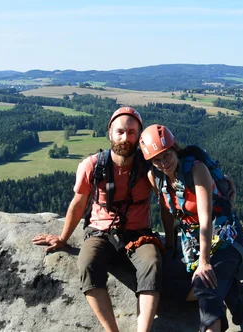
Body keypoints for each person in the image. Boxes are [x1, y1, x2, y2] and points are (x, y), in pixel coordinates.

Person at [32, 107, 163, 332]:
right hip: (101, 232)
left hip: (139, 233)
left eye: (132, 133)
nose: (125, 138)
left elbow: (178, 176)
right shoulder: (93, 166)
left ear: (140, 136)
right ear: (110, 133)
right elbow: (79, 203)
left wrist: (218, 179)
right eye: (120, 132)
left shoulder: (149, 166)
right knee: (87, 264)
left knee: (152, 264)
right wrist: (63, 238)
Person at [139, 124, 243, 332]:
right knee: (166, 287)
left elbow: (206, 218)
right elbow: (166, 210)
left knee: (203, 284)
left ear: (174, 148)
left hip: (224, 234)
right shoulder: (156, 176)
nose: (163, 163)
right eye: (156, 159)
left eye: (166, 155)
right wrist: (170, 247)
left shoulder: (196, 169)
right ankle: (229, 288)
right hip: (192, 241)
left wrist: (204, 262)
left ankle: (215, 316)